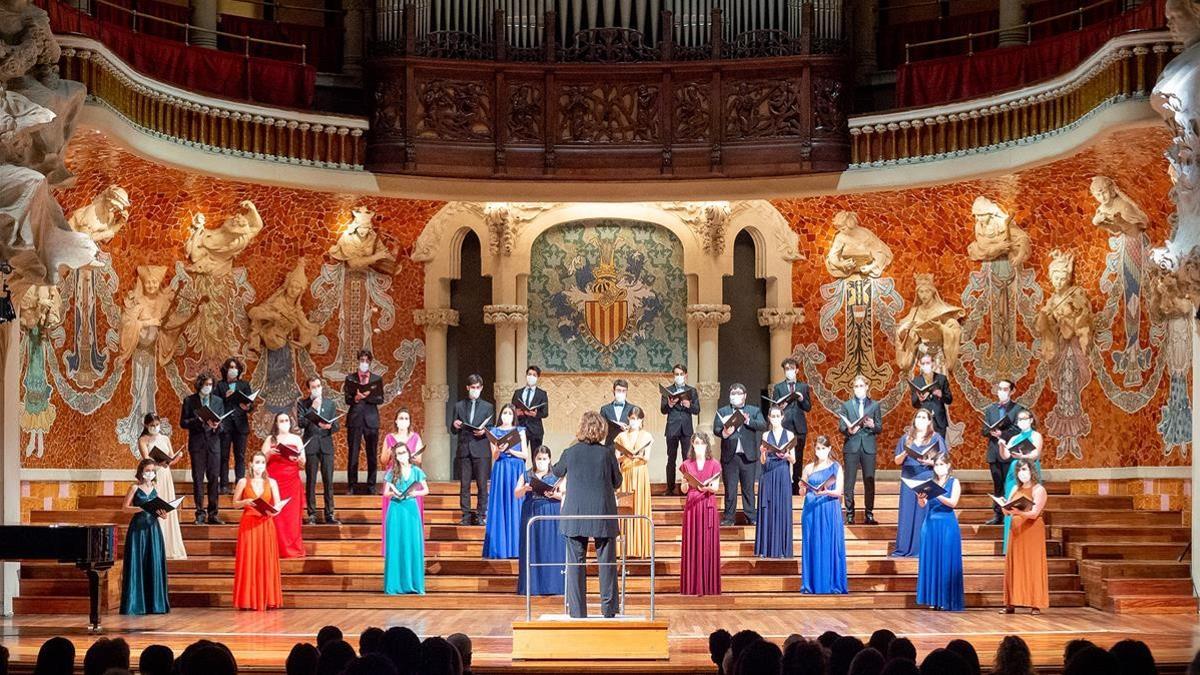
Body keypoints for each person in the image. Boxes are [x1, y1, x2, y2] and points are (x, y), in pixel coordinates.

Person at [553, 411, 624, 618]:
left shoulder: (571, 451)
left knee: (575, 564)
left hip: (575, 513)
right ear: (602, 430)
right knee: (607, 563)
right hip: (602, 514)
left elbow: (557, 471)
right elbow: (617, 482)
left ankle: (577, 612)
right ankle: (609, 609)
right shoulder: (607, 453)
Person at [892, 408, 947, 558]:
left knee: (924, 512)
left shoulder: (935, 438)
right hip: (909, 479)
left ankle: (923, 547)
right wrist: (906, 452)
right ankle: (905, 547)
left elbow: (943, 460)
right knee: (907, 513)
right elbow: (897, 461)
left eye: (924, 417)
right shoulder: (906, 438)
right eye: (918, 417)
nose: (920, 420)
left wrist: (929, 461)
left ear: (929, 421)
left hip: (927, 477)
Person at [233, 452, 284, 610]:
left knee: (265, 560)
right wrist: (245, 501)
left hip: (265, 524)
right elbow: (234, 503)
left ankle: (267, 598)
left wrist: (273, 511)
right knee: (249, 559)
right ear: (251, 464)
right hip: (248, 525)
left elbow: (277, 506)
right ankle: (248, 599)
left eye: (262, 462)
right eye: (257, 462)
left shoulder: (272, 482)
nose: (260, 465)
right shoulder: (243, 481)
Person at [120, 459, 171, 615]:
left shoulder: (155, 487)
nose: (151, 473)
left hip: (153, 529)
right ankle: (135, 604)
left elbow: (159, 509)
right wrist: (141, 507)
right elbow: (124, 509)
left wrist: (162, 514)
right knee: (138, 563)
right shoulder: (135, 487)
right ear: (141, 471)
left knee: (153, 562)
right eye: (148, 470)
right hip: (138, 531)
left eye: (153, 470)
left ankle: (155, 604)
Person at [915, 453, 964, 611]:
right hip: (930, 524)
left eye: (942, 464)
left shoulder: (954, 482)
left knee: (945, 560)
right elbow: (923, 505)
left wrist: (938, 493)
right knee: (932, 560)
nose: (938, 468)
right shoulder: (930, 483)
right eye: (936, 465)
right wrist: (921, 498)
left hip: (947, 524)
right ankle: (933, 598)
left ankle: (946, 599)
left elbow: (953, 503)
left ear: (949, 465)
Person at [713, 383, 767, 526]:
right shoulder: (723, 411)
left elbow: (762, 425)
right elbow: (716, 428)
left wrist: (748, 420)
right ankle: (729, 517)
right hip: (730, 456)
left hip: (748, 455)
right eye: (733, 393)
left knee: (748, 488)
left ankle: (751, 516)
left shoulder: (753, 410)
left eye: (738, 393)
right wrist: (724, 433)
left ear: (745, 396)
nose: (735, 396)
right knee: (730, 489)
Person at [515, 446, 566, 596]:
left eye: (544, 459)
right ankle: (533, 586)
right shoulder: (527, 474)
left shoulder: (557, 475)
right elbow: (516, 494)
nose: (542, 462)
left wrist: (553, 494)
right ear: (534, 459)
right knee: (533, 546)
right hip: (531, 512)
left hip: (551, 512)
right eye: (539, 459)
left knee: (551, 547)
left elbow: (564, 496)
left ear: (550, 459)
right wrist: (524, 488)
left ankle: (554, 585)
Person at [800, 436, 847, 594]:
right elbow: (802, 492)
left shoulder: (836, 467)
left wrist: (826, 491)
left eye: (823, 448)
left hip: (828, 507)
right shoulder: (808, 468)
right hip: (811, 509)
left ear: (829, 449)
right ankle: (810, 584)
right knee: (812, 544)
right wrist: (801, 486)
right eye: (818, 448)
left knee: (829, 543)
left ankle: (830, 583)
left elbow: (839, 491)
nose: (820, 451)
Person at [1002, 459, 1050, 615]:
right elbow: (1007, 511)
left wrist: (1018, 512)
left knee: (1032, 564)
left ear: (1032, 471)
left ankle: (1035, 603)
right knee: (1015, 564)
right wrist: (1005, 506)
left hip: (1032, 530)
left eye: (1024, 469)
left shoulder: (1039, 489)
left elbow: (1035, 513)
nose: (1022, 473)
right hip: (1016, 530)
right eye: (1019, 470)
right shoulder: (1015, 488)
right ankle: (1011, 602)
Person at [137, 413, 186, 560]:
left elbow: (170, 459)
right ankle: (155, 547)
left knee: (167, 508)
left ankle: (169, 547)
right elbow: (146, 460)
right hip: (153, 476)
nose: (155, 427)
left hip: (165, 475)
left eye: (157, 425)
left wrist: (177, 457)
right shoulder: (143, 440)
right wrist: (158, 464)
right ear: (146, 425)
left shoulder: (165, 438)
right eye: (152, 425)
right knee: (155, 507)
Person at [483, 404, 528, 559]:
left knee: (516, 505)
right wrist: (499, 449)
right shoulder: (494, 432)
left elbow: (525, 455)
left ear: (513, 415)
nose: (506, 416)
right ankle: (500, 548)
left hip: (516, 469)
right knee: (501, 505)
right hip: (501, 469)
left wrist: (511, 451)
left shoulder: (520, 431)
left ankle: (517, 548)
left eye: (509, 413)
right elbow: (494, 457)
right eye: (504, 413)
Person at [383, 441, 428, 594]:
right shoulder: (392, 472)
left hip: (411, 509)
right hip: (396, 509)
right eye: (399, 454)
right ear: (395, 457)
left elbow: (426, 490)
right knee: (396, 544)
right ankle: (395, 585)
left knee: (412, 544)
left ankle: (414, 584)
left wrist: (414, 493)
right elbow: (386, 493)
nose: (402, 456)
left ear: (409, 453)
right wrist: (394, 493)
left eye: (404, 452)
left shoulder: (416, 471)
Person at [180, 372, 225, 525]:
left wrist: (217, 425)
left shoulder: (218, 401)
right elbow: (183, 423)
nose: (208, 387)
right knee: (198, 479)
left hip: (214, 444)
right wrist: (197, 420)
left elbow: (223, 424)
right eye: (206, 384)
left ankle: (213, 513)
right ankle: (200, 514)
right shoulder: (189, 400)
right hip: (197, 445)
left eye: (211, 385)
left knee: (213, 479)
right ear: (200, 385)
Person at [681, 432, 721, 596]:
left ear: (706, 445)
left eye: (701, 443)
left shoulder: (714, 464)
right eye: (695, 443)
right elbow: (683, 489)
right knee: (693, 543)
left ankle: (708, 586)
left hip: (707, 504)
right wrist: (686, 482)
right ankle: (691, 586)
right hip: (692, 507)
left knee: (707, 544)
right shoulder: (686, 464)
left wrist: (707, 487)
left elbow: (716, 487)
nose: (698, 446)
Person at [451, 374, 494, 526]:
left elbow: (491, 428)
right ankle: (466, 515)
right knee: (465, 485)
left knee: (482, 484)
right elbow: (454, 429)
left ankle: (481, 514)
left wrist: (484, 432)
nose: (475, 390)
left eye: (478, 388)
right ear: (467, 388)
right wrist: (455, 425)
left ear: (481, 388)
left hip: (481, 450)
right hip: (464, 450)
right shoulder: (459, 406)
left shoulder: (488, 407)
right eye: (472, 387)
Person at [838, 375, 881, 525]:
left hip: (868, 446)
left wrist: (872, 425)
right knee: (849, 481)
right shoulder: (847, 405)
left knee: (869, 481)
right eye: (856, 386)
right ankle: (850, 514)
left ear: (867, 387)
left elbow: (879, 427)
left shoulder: (874, 405)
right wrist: (849, 430)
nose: (858, 389)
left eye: (861, 386)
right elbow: (841, 427)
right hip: (852, 446)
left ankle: (869, 514)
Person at [381, 408, 424, 554]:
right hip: (393, 477)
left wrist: (407, 456)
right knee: (393, 514)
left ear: (410, 421)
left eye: (406, 418)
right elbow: (383, 460)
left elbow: (419, 461)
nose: (403, 421)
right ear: (395, 420)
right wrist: (389, 452)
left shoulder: (415, 437)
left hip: (410, 477)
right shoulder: (389, 438)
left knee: (411, 515)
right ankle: (393, 548)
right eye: (401, 418)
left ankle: (412, 548)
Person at [264, 412, 306, 559]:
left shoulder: (296, 439)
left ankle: (291, 548)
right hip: (274, 481)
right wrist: (269, 452)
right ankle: (273, 548)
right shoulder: (270, 439)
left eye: (286, 420)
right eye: (281, 420)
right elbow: (261, 461)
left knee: (291, 517)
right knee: (275, 515)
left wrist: (298, 458)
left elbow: (303, 462)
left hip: (292, 482)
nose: (284, 422)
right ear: (276, 423)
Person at [754, 406, 795, 559]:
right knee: (768, 509)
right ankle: (766, 548)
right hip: (769, 473)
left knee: (782, 508)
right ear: (769, 418)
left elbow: (794, 459)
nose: (776, 418)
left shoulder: (789, 434)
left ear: (782, 417)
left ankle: (783, 549)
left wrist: (786, 456)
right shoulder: (765, 434)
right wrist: (763, 452)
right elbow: (762, 461)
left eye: (778, 416)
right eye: (773, 416)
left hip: (783, 472)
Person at [297, 376, 339, 525]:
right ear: (308, 389)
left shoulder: (330, 404)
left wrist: (330, 426)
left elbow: (336, 425)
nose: (317, 388)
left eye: (318, 386)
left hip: (326, 445)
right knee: (311, 480)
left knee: (328, 480)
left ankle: (330, 513)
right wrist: (313, 408)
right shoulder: (302, 403)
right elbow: (301, 423)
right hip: (311, 444)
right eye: (313, 387)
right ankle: (312, 514)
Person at [983, 380, 1024, 525]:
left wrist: (1002, 433)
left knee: (1011, 484)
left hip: (1009, 451)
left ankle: (1012, 512)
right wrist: (991, 432)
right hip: (994, 452)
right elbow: (984, 430)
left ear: (1012, 391)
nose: (1001, 391)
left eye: (1005, 389)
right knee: (997, 485)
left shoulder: (1018, 409)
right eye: (999, 388)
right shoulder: (990, 409)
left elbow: (1018, 430)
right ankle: (998, 514)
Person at [1000, 409, 1043, 553]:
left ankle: (1027, 543)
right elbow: (1005, 456)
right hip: (1014, 473)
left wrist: (1022, 455)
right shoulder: (1014, 438)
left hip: (1029, 470)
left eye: (1025, 419)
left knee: (1027, 503)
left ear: (1031, 420)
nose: (1022, 422)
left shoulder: (1036, 435)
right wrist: (1001, 445)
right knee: (1011, 504)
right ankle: (1010, 546)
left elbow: (1036, 453)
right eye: (1019, 420)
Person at [614, 406, 653, 558]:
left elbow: (647, 457)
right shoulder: (621, 436)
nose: (633, 421)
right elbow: (616, 458)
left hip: (640, 472)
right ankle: (624, 549)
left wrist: (637, 456)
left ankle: (641, 548)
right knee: (625, 508)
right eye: (631, 418)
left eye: (636, 419)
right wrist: (626, 456)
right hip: (626, 472)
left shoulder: (647, 436)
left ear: (641, 420)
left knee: (639, 507)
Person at [771, 357, 813, 495]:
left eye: (791, 369)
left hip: (799, 428)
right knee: (783, 456)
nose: (789, 371)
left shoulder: (803, 386)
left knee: (798, 458)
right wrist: (780, 406)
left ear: (797, 370)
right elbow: (773, 407)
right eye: (787, 369)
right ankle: (783, 487)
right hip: (785, 427)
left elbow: (808, 407)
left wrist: (801, 399)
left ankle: (795, 490)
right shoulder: (778, 387)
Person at [345, 349, 384, 495]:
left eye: (367, 360)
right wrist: (355, 398)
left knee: (372, 454)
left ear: (370, 361)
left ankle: (371, 485)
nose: (364, 363)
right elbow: (347, 399)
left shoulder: (376, 379)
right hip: (355, 419)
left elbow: (380, 399)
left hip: (371, 419)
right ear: (358, 361)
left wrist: (365, 396)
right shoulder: (351, 378)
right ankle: (351, 485)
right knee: (353, 453)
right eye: (362, 360)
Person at [661, 363, 700, 496]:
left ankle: (687, 487)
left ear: (686, 375)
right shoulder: (667, 390)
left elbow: (697, 410)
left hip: (686, 429)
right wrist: (670, 404)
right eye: (676, 374)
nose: (679, 376)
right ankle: (669, 488)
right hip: (672, 428)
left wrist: (689, 405)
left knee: (687, 458)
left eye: (681, 374)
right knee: (671, 458)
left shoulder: (692, 391)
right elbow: (663, 410)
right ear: (673, 375)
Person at [217, 357, 253, 495]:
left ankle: (240, 484)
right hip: (225, 426)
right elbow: (216, 404)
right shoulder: (220, 385)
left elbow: (250, 404)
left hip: (240, 425)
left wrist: (247, 406)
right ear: (225, 370)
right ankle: (224, 485)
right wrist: (225, 397)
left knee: (240, 456)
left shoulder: (244, 385)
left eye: (235, 367)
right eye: (230, 367)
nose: (233, 370)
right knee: (224, 456)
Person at [909, 353, 952, 437]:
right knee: (924, 447)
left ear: (933, 363)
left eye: (928, 363)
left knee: (939, 448)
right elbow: (914, 403)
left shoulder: (941, 379)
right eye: (923, 363)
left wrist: (941, 395)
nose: (926, 365)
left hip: (939, 421)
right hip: (923, 421)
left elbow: (949, 399)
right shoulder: (916, 381)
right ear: (920, 365)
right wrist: (919, 400)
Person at [512, 365, 549, 451]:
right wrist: (516, 412)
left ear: (537, 378)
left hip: (535, 430)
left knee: (536, 456)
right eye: (529, 374)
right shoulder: (518, 392)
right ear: (526, 376)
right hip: (520, 428)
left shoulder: (542, 394)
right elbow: (512, 408)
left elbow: (545, 413)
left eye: (534, 375)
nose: (531, 377)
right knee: (519, 456)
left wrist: (535, 414)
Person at [600, 379, 636, 448]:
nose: (621, 393)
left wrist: (630, 428)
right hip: (610, 447)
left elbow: (638, 429)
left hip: (627, 448)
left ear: (627, 392)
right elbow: (601, 429)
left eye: (624, 391)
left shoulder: (633, 409)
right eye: (619, 390)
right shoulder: (605, 409)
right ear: (613, 391)